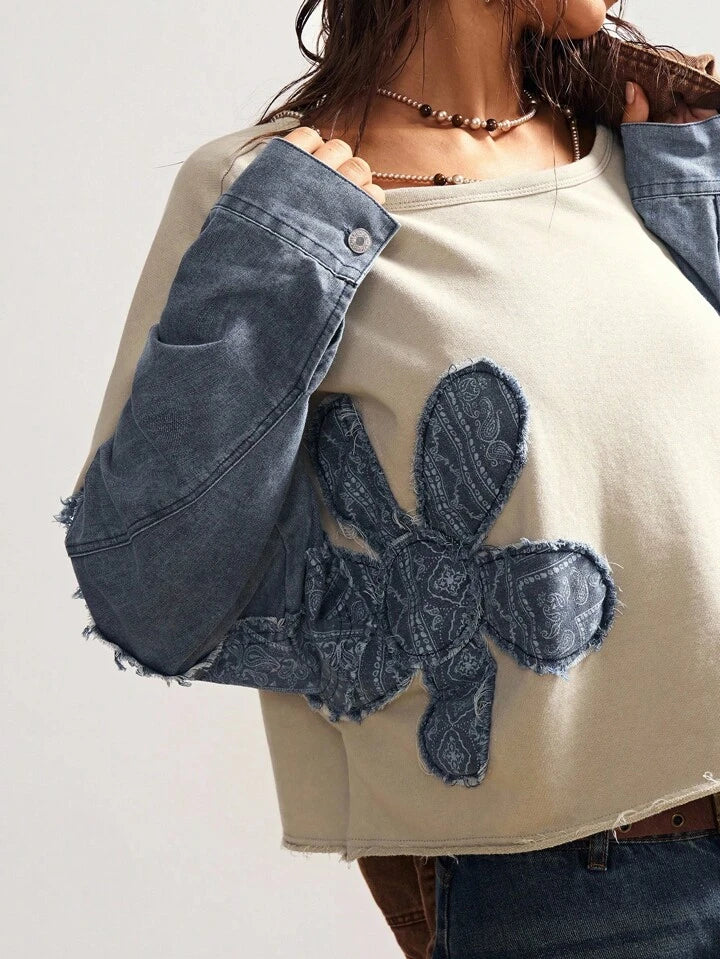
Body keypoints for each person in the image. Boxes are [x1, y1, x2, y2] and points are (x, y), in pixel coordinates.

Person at [55, 1, 720, 955]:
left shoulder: (627, 138)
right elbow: (148, 588)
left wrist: (694, 178)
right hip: (574, 887)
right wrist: (281, 257)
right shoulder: (273, 197)